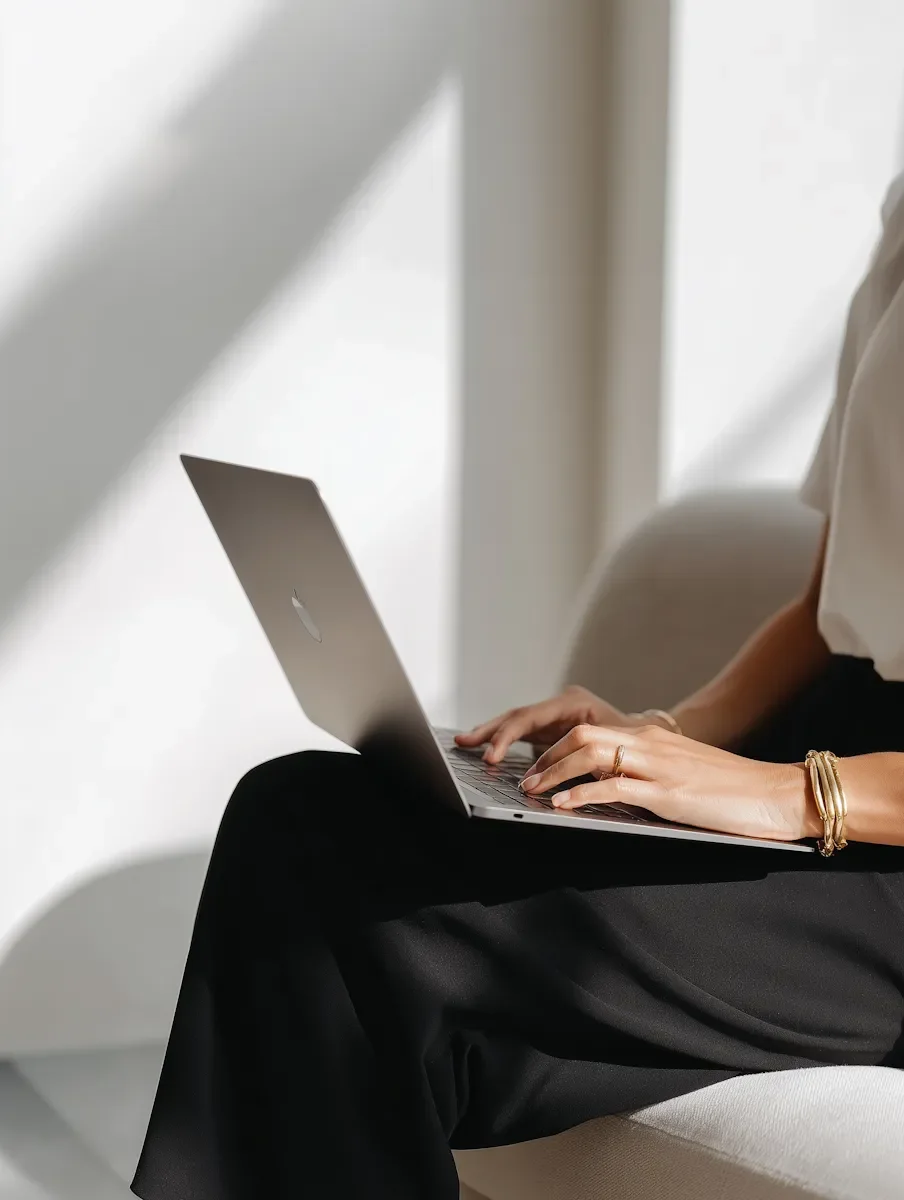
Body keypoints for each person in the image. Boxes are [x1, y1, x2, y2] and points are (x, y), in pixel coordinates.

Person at [131, 172, 904, 1200]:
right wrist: (667, 734)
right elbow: (832, 596)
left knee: (380, 918)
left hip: (874, 840)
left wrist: (790, 795)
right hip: (819, 756)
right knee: (297, 813)